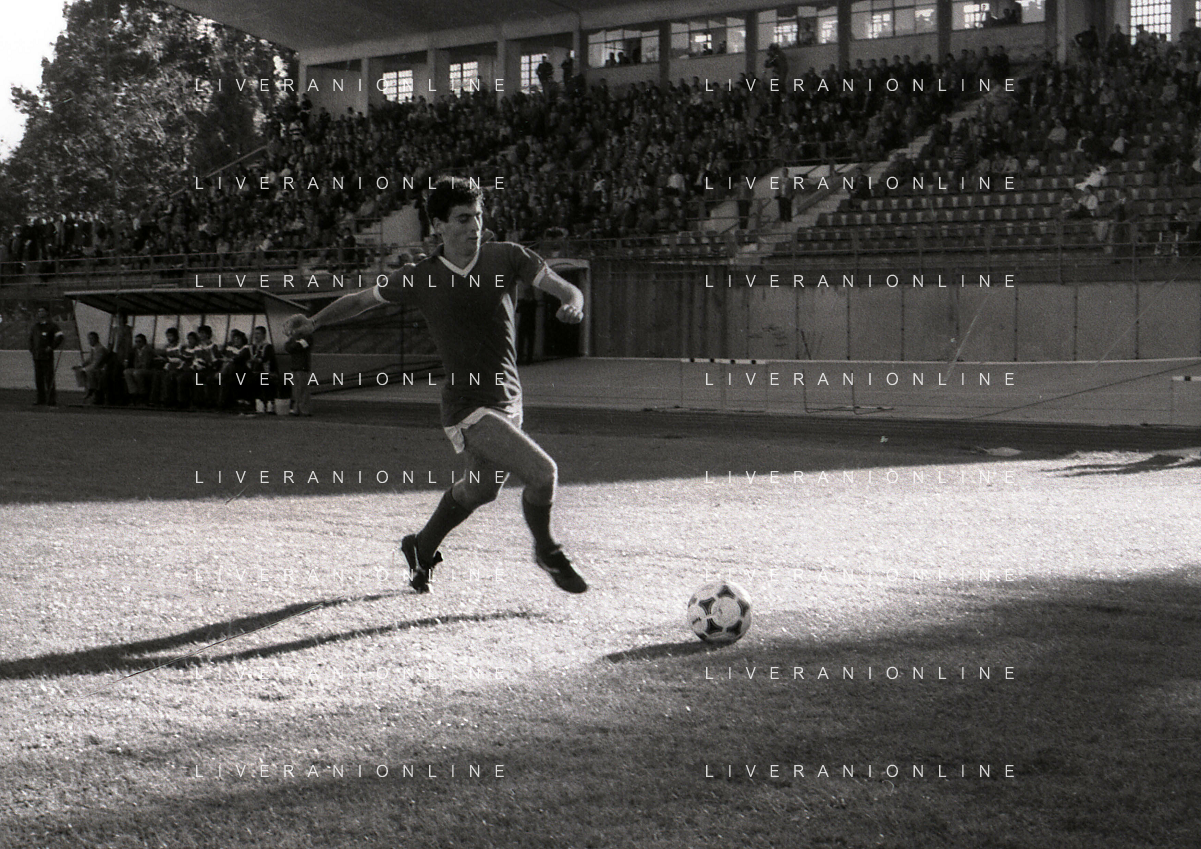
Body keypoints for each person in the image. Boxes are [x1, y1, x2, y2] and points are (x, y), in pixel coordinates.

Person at [285, 177, 587, 594]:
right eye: (463, 218)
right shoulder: (421, 277)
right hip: (467, 407)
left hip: (509, 400)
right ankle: (546, 550)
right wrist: (314, 322)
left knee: (480, 491)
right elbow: (361, 300)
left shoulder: (507, 256)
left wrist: (573, 302)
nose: (474, 226)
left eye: (478, 216)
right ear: (438, 225)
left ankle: (420, 547)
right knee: (542, 473)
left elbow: (565, 287)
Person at [28, 307, 64, 406]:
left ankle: (51, 399)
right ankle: (40, 399)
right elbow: (31, 339)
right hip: (37, 356)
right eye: (39, 311)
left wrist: (51, 347)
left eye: (42, 311)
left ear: (47, 313)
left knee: (49, 378)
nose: (40, 313)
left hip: (47, 356)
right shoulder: (35, 327)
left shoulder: (52, 326)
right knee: (38, 379)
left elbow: (60, 337)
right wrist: (32, 349)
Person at [283, 320, 313, 416]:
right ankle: (296, 408)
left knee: (303, 388)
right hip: (295, 366)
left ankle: (303, 409)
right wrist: (295, 344)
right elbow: (288, 347)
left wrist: (294, 344)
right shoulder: (294, 338)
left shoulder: (308, 337)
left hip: (303, 366)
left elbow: (297, 346)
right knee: (296, 389)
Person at [123, 333, 155, 405]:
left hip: (149, 370)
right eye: (136, 342)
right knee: (126, 372)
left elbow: (146, 364)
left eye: (139, 341)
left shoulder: (148, 350)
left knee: (137, 373)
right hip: (138, 368)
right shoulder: (136, 350)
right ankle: (133, 392)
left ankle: (142, 393)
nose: (137, 343)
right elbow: (135, 363)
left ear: (144, 342)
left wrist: (138, 365)